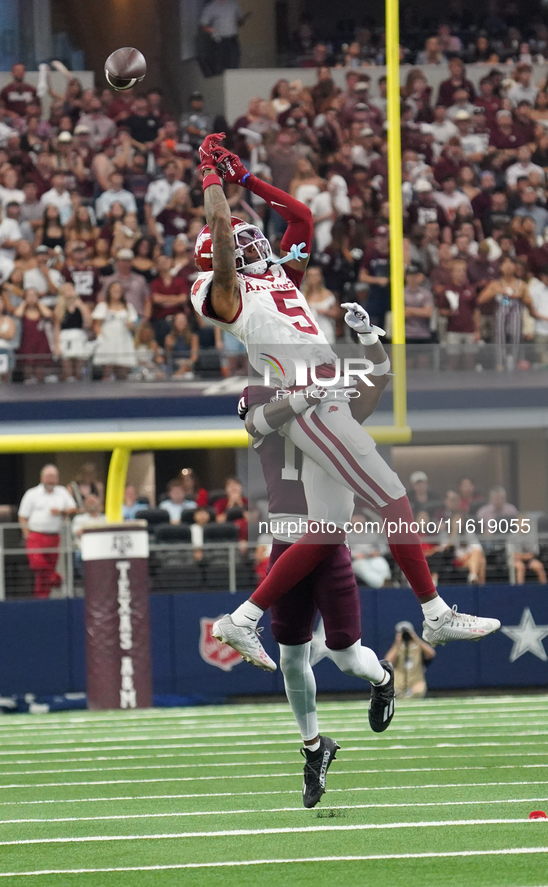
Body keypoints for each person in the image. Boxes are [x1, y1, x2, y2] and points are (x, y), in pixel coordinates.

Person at [192, 132, 500, 669]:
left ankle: (240, 620)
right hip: (310, 402)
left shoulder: (278, 280)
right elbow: (221, 235)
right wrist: (211, 180)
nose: (258, 245)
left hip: (322, 397)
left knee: (327, 529)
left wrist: (247, 180)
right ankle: (434, 612)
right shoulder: (222, 292)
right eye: (246, 244)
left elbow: (302, 218)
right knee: (392, 495)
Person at [238, 381, 395, 807]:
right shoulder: (267, 416)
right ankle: (313, 749)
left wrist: (367, 352)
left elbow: (370, 395)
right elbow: (263, 414)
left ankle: (382, 678)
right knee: (291, 655)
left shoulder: (327, 419)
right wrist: (309, 394)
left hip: (326, 544)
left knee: (346, 657)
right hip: (286, 540)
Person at [18, 464, 76, 598]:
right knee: (37, 563)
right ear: (42, 477)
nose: (51, 479)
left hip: (54, 536)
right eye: (48, 476)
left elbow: (73, 508)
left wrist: (61, 512)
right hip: (36, 535)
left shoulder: (62, 492)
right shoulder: (32, 494)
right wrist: (27, 534)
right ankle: (56, 578)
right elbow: (22, 516)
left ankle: (42, 598)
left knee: (43, 575)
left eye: (54, 476)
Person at [92, 280, 138, 380]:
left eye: (119, 290)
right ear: (109, 292)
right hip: (108, 339)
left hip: (123, 340)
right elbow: (96, 325)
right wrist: (100, 337)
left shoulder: (128, 308)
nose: (117, 292)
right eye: (114, 290)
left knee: (122, 371)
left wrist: (130, 325)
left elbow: (133, 325)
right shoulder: (103, 306)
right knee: (107, 370)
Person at [385, 621, 435, 699]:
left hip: (415, 684)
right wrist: (397, 643)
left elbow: (431, 653)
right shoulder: (396, 649)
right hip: (398, 685)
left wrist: (415, 638)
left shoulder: (418, 648)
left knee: (419, 690)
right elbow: (388, 662)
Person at [200, 0, 246, 74]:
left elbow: (239, 20)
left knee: (234, 65)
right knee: (220, 66)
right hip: (219, 41)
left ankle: (233, 82)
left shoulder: (234, 4)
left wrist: (241, 21)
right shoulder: (211, 6)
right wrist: (209, 29)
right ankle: (220, 83)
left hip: (233, 40)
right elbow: (203, 25)